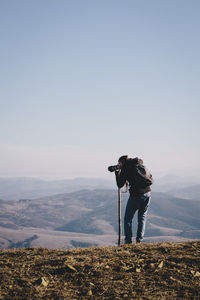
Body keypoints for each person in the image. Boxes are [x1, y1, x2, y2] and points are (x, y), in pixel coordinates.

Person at [115, 155, 153, 244]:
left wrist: (117, 174)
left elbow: (120, 185)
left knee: (128, 218)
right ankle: (139, 240)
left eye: (119, 163)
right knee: (142, 217)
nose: (118, 165)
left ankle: (128, 241)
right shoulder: (138, 163)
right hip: (147, 192)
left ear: (122, 162)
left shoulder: (126, 168)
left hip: (136, 195)